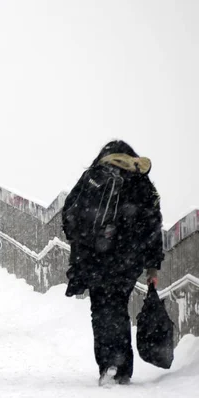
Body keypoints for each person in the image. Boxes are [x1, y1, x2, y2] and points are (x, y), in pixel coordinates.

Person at [62, 140, 163, 386]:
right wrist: (152, 266)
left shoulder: (93, 177)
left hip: (96, 257)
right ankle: (123, 368)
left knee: (100, 310)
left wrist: (85, 242)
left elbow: (69, 213)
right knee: (118, 306)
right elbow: (153, 225)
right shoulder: (141, 181)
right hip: (128, 260)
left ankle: (108, 364)